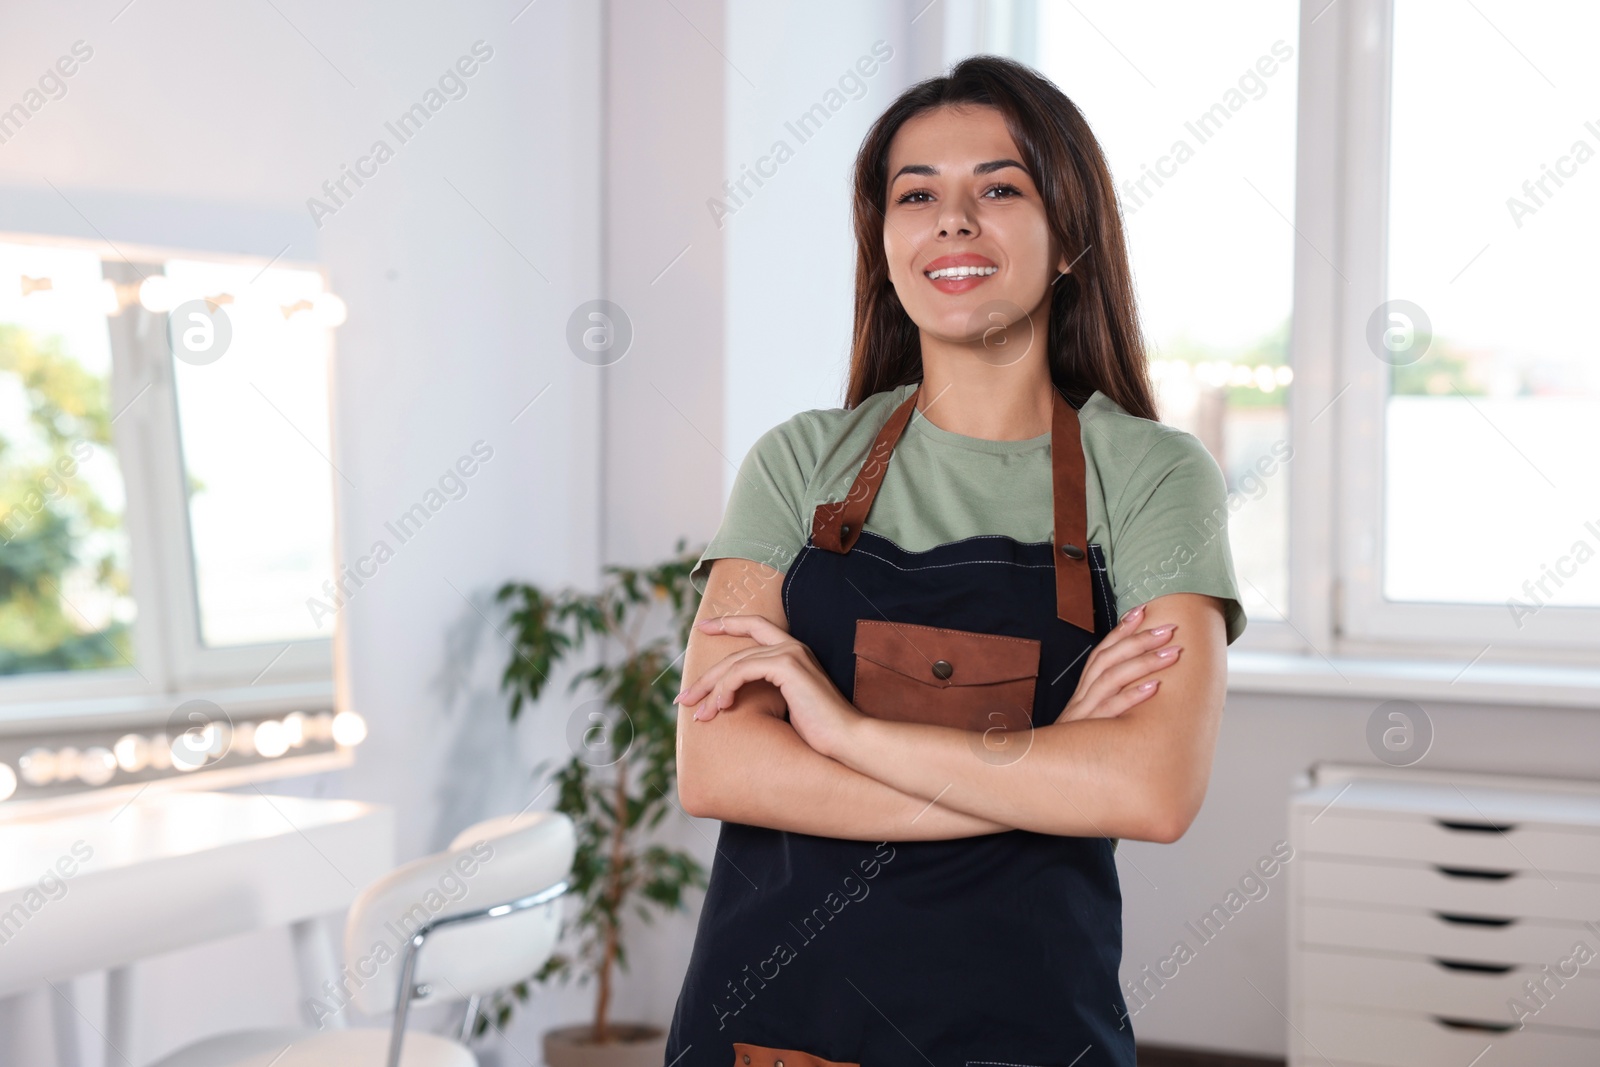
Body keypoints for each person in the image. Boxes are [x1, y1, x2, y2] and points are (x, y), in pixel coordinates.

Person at [664, 54, 1247, 1067]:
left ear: (1068, 236)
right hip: (782, 1026)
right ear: (883, 240)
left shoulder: (1152, 475)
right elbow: (718, 762)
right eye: (917, 194)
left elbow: (1150, 790)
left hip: (1019, 1026)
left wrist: (841, 728)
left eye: (1000, 188)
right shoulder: (802, 461)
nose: (953, 220)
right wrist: (1047, 758)